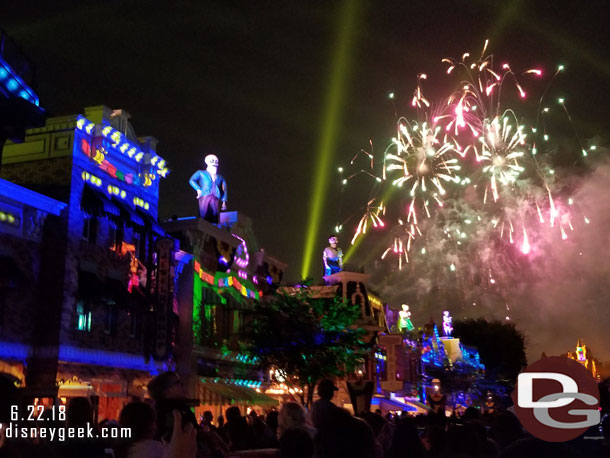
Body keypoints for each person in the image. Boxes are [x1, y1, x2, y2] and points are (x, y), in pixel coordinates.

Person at [189, 154, 228, 224]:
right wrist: (198, 189)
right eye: (212, 161)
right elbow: (192, 180)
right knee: (203, 212)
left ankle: (214, 228)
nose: (215, 163)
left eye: (216, 161)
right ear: (207, 162)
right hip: (205, 194)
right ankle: (202, 226)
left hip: (215, 196)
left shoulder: (220, 177)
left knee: (215, 213)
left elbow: (223, 188)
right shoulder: (201, 173)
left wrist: (224, 201)